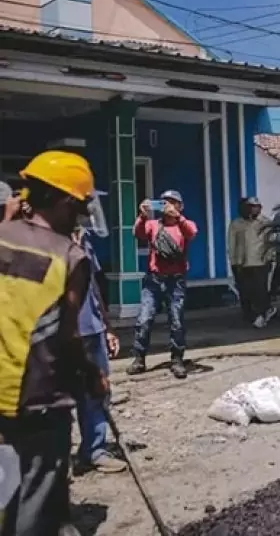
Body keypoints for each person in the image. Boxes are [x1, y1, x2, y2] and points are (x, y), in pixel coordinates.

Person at [0, 150, 108, 536]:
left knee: (5, 487)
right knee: (37, 496)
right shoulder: (69, 256)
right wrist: (92, 374)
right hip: (39, 396)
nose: (80, 216)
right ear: (63, 201)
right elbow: (68, 336)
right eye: (79, 207)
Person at [71, 223, 127, 474]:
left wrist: (107, 327)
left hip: (91, 328)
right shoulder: (41, 241)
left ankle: (94, 449)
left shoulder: (84, 240)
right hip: (59, 333)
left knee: (96, 390)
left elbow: (93, 287)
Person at [128, 190, 198, 379]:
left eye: (173, 202)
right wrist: (143, 215)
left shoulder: (185, 224)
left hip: (176, 280)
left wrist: (178, 217)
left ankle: (177, 359)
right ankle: (139, 359)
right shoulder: (153, 225)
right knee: (144, 319)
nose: (168, 206)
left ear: (180, 206)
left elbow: (192, 233)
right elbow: (138, 233)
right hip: (154, 280)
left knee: (177, 321)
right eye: (164, 202)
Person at [229, 196, 277, 328]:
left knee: (260, 291)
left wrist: (271, 258)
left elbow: (271, 242)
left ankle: (261, 314)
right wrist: (233, 262)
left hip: (260, 262)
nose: (252, 210)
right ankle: (251, 314)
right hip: (242, 263)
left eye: (255, 207)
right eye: (249, 207)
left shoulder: (265, 223)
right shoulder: (236, 224)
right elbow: (232, 244)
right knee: (245, 291)